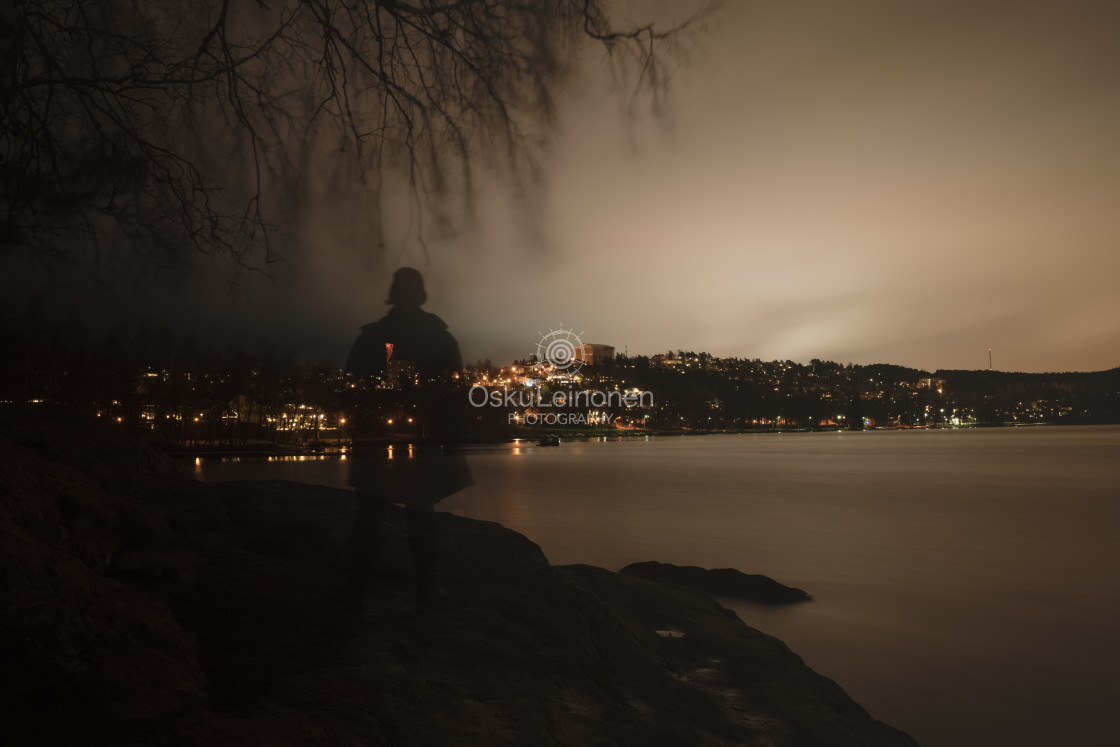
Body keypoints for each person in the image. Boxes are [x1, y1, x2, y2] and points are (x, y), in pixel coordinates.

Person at [342, 267, 472, 610]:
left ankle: (355, 590)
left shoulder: (373, 336)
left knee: (370, 514)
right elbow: (454, 387)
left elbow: (352, 384)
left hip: (377, 436)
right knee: (421, 514)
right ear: (421, 294)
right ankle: (425, 593)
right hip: (421, 437)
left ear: (393, 293)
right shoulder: (439, 337)